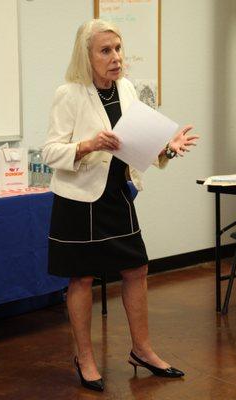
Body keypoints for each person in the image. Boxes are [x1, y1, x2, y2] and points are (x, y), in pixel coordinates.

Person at [42, 19, 199, 392]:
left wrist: (166, 148)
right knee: (80, 278)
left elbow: (137, 141)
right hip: (78, 199)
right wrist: (88, 144)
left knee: (137, 268)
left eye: (118, 49)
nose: (116, 58)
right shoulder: (68, 93)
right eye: (105, 51)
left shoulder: (127, 88)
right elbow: (50, 151)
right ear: (87, 56)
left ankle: (142, 350)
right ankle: (85, 357)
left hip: (117, 194)